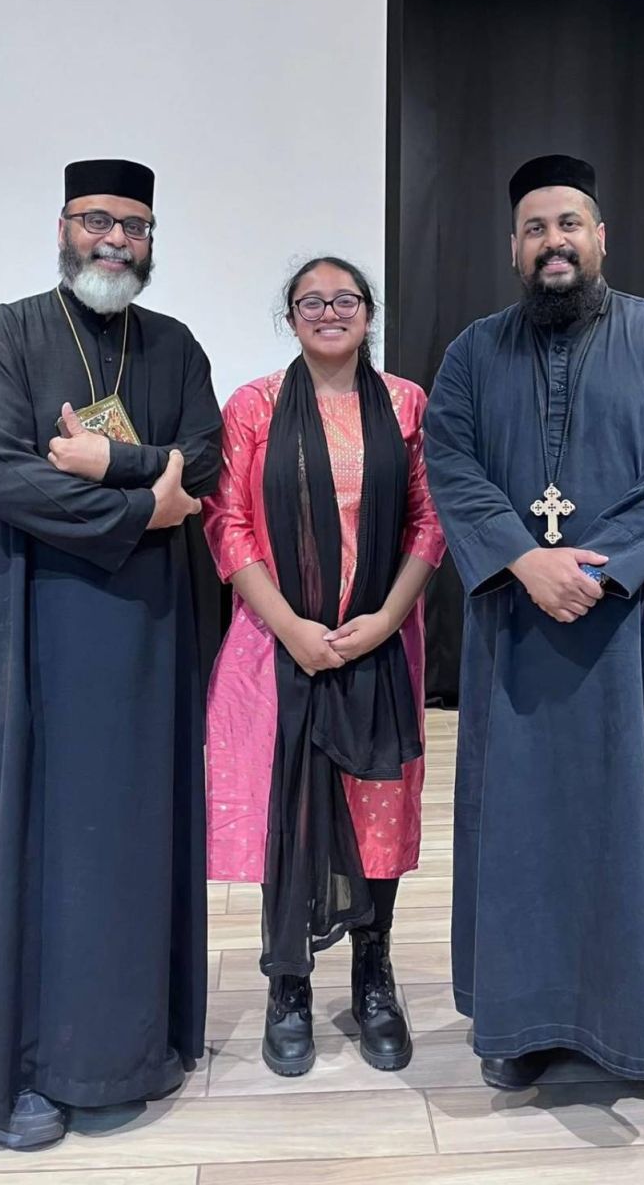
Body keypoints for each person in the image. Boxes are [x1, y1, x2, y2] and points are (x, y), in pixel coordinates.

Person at [423, 155, 644, 1120]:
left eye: (568, 223)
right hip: (523, 636)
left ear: (600, 237)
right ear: (513, 248)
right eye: (534, 228)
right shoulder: (472, 355)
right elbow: (450, 463)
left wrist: (595, 569)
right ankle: (527, 1025)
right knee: (526, 832)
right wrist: (524, 561)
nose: (552, 241)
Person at [0, 158, 223, 1148]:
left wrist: (116, 462)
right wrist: (145, 506)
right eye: (97, 220)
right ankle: (28, 1070)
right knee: (40, 843)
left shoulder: (175, 345)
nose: (115, 239)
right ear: (63, 227)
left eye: (134, 226)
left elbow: (208, 459)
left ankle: (131, 1053)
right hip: (34, 628)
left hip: (147, 633)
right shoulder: (3, 337)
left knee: (136, 837)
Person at [203, 256, 445, 1076]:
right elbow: (227, 523)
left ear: (368, 314)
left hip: (381, 645)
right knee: (290, 812)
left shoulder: (407, 405)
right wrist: (291, 627)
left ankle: (373, 973)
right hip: (277, 647)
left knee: (378, 810)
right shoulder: (253, 406)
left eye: (345, 300)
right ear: (291, 318)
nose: (328, 312)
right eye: (311, 302)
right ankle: (289, 983)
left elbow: (430, 519)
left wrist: (387, 619)